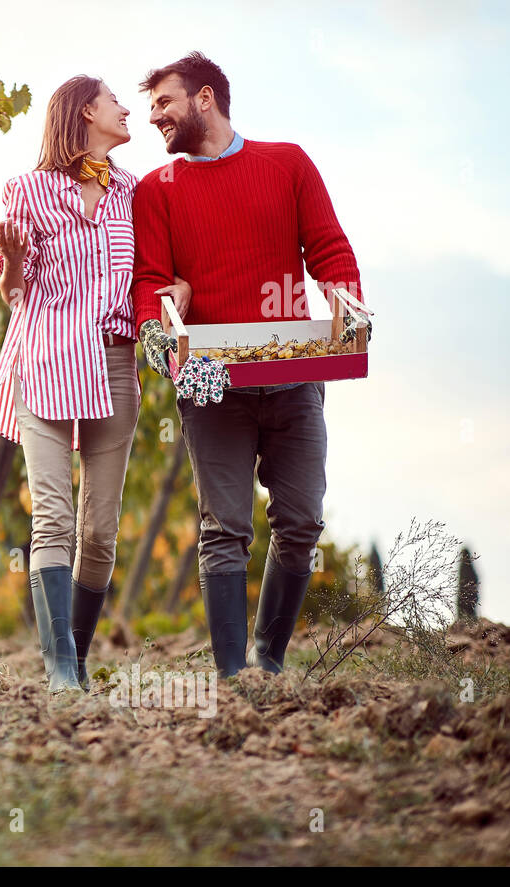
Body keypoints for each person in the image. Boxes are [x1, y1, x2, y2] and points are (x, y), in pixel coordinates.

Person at [132, 52, 368, 676]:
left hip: (291, 374)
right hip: (211, 384)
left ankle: (269, 660)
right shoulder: (157, 192)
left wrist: (346, 301)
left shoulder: (286, 163)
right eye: (151, 105)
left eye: (164, 103)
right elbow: (152, 282)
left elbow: (329, 250)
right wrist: (162, 316)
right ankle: (234, 677)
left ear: (204, 99)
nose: (154, 117)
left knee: (300, 520)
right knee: (224, 528)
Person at [0, 74, 190, 693]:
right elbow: (14, 291)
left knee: (99, 532)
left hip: (113, 361)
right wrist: (13, 267)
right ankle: (62, 676)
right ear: (84, 112)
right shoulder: (29, 191)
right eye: (115, 101)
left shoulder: (136, 193)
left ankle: (72, 652)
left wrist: (174, 292)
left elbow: (152, 276)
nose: (129, 111)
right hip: (44, 356)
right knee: (51, 520)